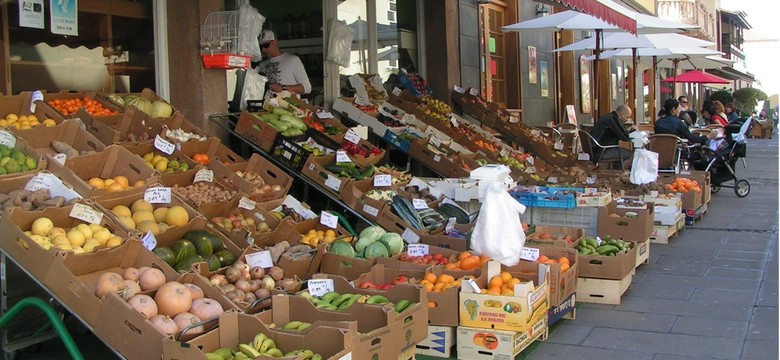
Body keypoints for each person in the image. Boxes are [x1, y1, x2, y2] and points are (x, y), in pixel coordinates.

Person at [255, 30, 311, 95]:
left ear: (275, 43)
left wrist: (283, 87)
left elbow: (307, 88)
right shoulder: (262, 65)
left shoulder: (292, 60)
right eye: (261, 47)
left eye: (266, 45)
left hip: (289, 104)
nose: (263, 50)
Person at [590, 104, 633, 169]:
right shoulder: (612, 119)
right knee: (632, 155)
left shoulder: (607, 117)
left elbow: (620, 131)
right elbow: (625, 136)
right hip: (602, 151)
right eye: (627, 117)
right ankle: (618, 175)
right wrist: (633, 130)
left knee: (622, 152)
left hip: (595, 149)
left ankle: (614, 172)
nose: (627, 120)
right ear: (622, 114)